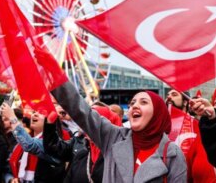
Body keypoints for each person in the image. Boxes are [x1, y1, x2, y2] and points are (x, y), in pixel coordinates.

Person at [34, 46, 187, 182]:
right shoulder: (112, 137)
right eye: (132, 103)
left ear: (157, 115)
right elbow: (80, 110)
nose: (134, 106)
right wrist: (55, 72)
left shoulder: (172, 153)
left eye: (143, 102)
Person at [43, 105, 122, 183]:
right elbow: (53, 147)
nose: (89, 126)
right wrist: (50, 122)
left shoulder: (119, 152)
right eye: (88, 122)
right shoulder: (80, 142)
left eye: (93, 122)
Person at [0, 102, 65, 183]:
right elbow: (7, 168)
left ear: (51, 120)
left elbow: (30, 145)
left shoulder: (54, 145)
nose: (35, 114)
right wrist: (11, 179)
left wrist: (12, 117)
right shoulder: (19, 144)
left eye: (42, 112)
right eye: (34, 112)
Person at [165, 89, 199, 156]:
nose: (169, 97)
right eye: (167, 95)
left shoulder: (197, 124)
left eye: (174, 95)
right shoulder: (161, 125)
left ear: (185, 102)